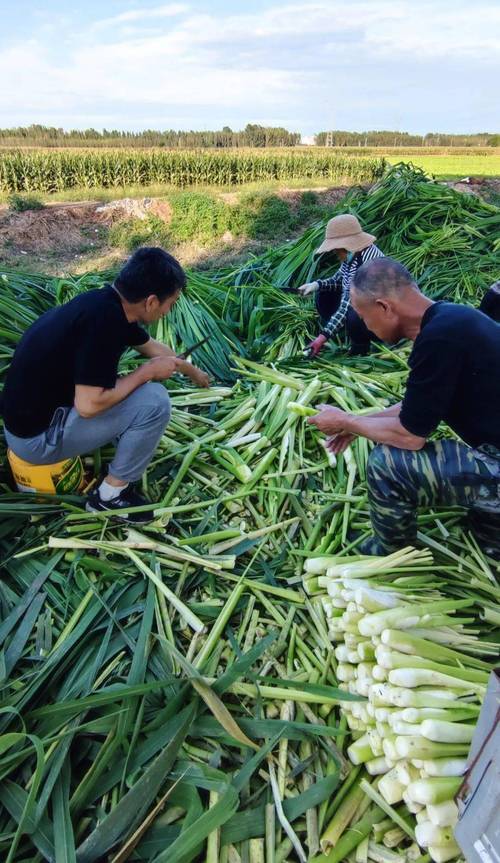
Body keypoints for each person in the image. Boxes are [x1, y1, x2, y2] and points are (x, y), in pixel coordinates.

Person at [308, 258, 500, 557]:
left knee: (387, 463)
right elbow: (416, 407)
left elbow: (411, 435)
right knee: (487, 541)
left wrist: (346, 419)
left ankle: (391, 551)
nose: (366, 327)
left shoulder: (438, 339)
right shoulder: (452, 319)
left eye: (362, 316)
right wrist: (353, 422)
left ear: (384, 307)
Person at [2, 247, 210, 522]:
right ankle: (109, 497)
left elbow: (151, 348)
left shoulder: (107, 304)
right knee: (155, 401)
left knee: (134, 390)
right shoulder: (104, 325)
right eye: (169, 304)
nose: (168, 312)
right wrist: (146, 373)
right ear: (150, 302)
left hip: (28, 423)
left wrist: (193, 372)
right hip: (37, 441)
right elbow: (89, 406)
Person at [297, 214, 384, 357]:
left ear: (347, 245)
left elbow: (347, 306)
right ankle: (343, 330)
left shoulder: (367, 264)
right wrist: (315, 285)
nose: (335, 253)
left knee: (354, 314)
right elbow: (338, 280)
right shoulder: (354, 254)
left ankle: (361, 348)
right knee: (323, 293)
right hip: (364, 305)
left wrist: (322, 337)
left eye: (336, 249)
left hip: (382, 319)